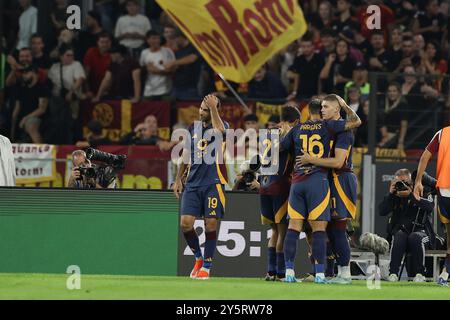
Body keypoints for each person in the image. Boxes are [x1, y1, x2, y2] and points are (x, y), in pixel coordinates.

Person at [280, 96, 361, 283]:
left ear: (336, 109)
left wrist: (310, 159)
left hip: (340, 178)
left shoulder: (340, 129)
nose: (324, 110)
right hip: (323, 179)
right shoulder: (328, 127)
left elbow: (339, 162)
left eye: (327, 106)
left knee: (338, 228)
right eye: (322, 107)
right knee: (326, 228)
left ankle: (344, 273)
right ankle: (323, 273)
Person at [172, 95, 229, 280]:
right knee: (185, 224)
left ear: (214, 110)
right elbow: (186, 155)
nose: (201, 111)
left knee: (210, 224)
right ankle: (198, 258)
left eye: (206, 109)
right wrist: (178, 178)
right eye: (202, 108)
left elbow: (220, 132)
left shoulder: (222, 125)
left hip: (213, 182)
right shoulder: (193, 128)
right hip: (193, 183)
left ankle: (207, 266)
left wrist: (214, 109)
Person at [259, 105, 300, 281]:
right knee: (282, 231)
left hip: (264, 185)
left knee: (274, 231)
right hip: (280, 185)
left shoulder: (267, 133)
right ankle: (281, 273)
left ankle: (271, 271)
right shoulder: (289, 135)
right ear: (296, 121)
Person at [380, 168, 437, 282]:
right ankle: (393, 274)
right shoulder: (395, 196)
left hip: (422, 232)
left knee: (415, 237)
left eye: (405, 183)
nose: (402, 186)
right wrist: (391, 193)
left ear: (411, 182)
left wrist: (411, 195)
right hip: (403, 232)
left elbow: (430, 207)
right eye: (399, 183)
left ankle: (420, 274)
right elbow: (382, 211)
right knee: (399, 235)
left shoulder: (421, 190)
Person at [414, 126, 450, 286]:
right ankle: (445, 271)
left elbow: (424, 157)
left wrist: (418, 181)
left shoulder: (442, 133)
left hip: (444, 190)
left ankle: (445, 273)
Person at [11, 65, 50, 143]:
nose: (24, 75)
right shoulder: (21, 89)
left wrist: (26, 118)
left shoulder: (42, 88)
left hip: (38, 117)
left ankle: (41, 153)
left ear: (35, 74)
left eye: (27, 73)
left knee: (30, 125)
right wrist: (13, 122)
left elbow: (42, 109)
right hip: (23, 118)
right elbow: (17, 107)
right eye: (23, 73)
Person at [139, 30, 175, 100]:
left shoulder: (167, 51)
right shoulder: (144, 53)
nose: (156, 41)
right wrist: (148, 69)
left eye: (158, 38)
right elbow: (143, 70)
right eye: (153, 38)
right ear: (148, 40)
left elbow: (172, 69)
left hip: (165, 90)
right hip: (148, 91)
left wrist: (155, 70)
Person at [287, 33, 324, 100]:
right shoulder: (298, 59)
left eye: (308, 46)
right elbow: (297, 76)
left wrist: (319, 94)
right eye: (303, 47)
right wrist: (294, 93)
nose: (306, 49)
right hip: (301, 93)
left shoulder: (319, 58)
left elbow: (320, 78)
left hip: (314, 93)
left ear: (313, 46)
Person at [83, 32, 112, 98]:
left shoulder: (113, 55)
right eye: (102, 42)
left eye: (107, 42)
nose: (104, 45)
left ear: (110, 43)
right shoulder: (91, 52)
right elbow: (86, 74)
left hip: (108, 92)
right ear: (97, 43)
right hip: (91, 90)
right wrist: (87, 91)